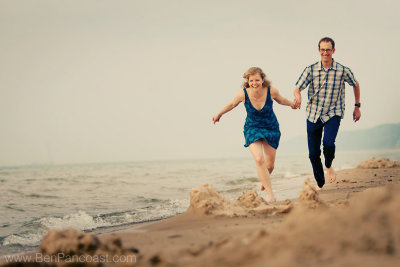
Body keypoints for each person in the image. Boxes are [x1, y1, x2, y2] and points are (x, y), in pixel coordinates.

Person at [213, 67, 296, 202]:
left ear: (262, 79)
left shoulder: (271, 91)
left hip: (271, 127)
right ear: (248, 81)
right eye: (251, 80)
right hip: (252, 127)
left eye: (257, 80)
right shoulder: (243, 94)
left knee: (269, 166)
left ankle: (265, 180)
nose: (254, 83)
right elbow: (232, 104)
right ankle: (270, 195)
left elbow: (281, 100)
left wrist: (292, 104)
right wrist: (219, 114)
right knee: (259, 159)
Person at [293, 37, 361, 189]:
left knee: (328, 143)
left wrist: (357, 106)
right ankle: (320, 180)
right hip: (313, 114)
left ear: (333, 51)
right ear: (319, 51)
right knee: (313, 154)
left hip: (333, 112)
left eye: (328, 50)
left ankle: (329, 165)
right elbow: (297, 87)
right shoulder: (311, 69)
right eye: (322, 50)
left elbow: (355, 84)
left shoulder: (342, 70)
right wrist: (298, 96)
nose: (325, 53)